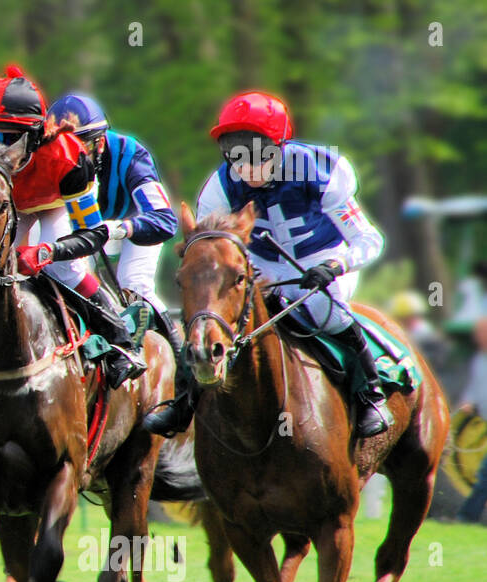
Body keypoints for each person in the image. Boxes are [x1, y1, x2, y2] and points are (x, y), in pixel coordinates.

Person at [144, 90, 391, 438]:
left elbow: (370, 240)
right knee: (209, 316)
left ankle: (371, 394)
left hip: (320, 263)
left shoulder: (320, 171)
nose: (245, 168)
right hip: (261, 267)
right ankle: (183, 404)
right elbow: (209, 251)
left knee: (323, 310)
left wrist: (335, 265)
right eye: (236, 157)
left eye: (255, 156)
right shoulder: (219, 187)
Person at [0, 66, 145, 389]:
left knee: (63, 270)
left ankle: (120, 338)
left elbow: (94, 234)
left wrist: (48, 251)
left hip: (55, 204)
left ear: (35, 134)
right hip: (8, 205)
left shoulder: (68, 157)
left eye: (9, 138)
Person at [48, 93, 182, 352]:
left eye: (78, 147)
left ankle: (179, 358)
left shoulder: (130, 154)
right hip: (85, 231)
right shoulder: (50, 161)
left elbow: (165, 221)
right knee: (64, 277)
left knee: (134, 282)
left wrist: (119, 229)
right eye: (59, 148)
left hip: (132, 230)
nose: (68, 158)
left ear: (99, 144)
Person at [455, 315, 487, 525]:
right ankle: (468, 516)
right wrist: (467, 402)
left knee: (484, 475)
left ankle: (467, 516)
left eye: (482, 334)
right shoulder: (479, 360)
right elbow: (475, 388)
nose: (478, 338)